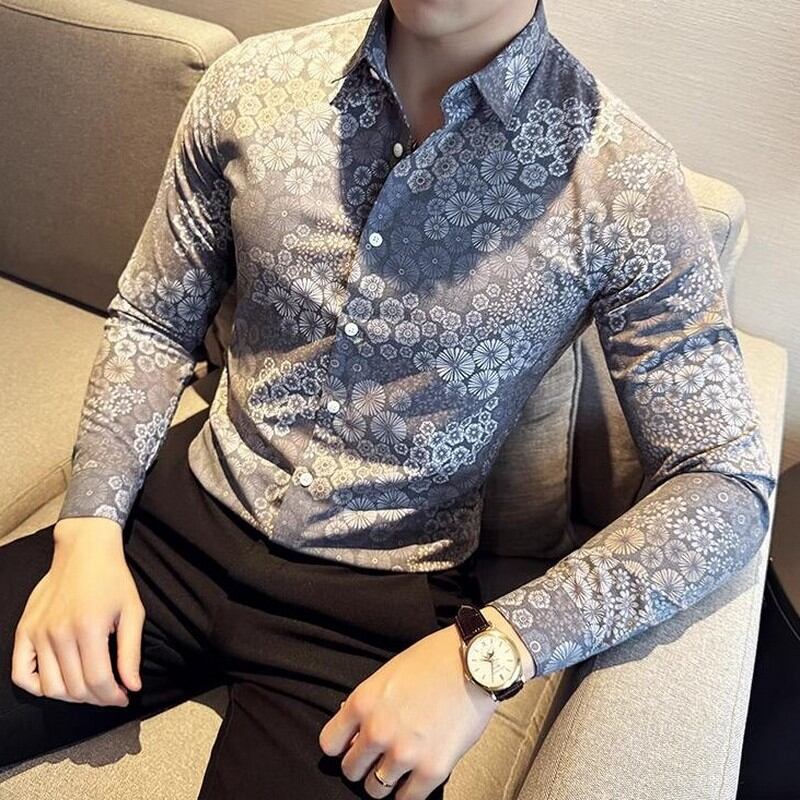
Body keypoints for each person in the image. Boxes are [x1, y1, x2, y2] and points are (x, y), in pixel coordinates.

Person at [0, 0, 776, 797]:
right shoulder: (253, 84)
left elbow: (724, 478)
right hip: (170, 520)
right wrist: (88, 527)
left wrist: (493, 651)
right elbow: (155, 317)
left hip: (378, 602)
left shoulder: (625, 182)